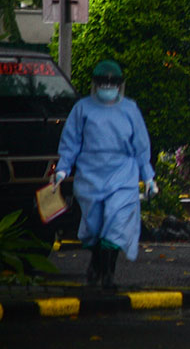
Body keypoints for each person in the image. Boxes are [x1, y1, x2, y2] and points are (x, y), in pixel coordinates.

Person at [54, 60, 157, 290]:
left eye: (112, 83)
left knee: (116, 224)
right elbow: (71, 141)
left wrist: (148, 177)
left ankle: (109, 273)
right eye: (103, 83)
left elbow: (141, 146)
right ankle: (96, 262)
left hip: (122, 176)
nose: (107, 87)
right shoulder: (82, 109)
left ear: (120, 85)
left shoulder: (130, 109)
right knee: (94, 227)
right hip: (90, 177)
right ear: (95, 84)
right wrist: (63, 168)